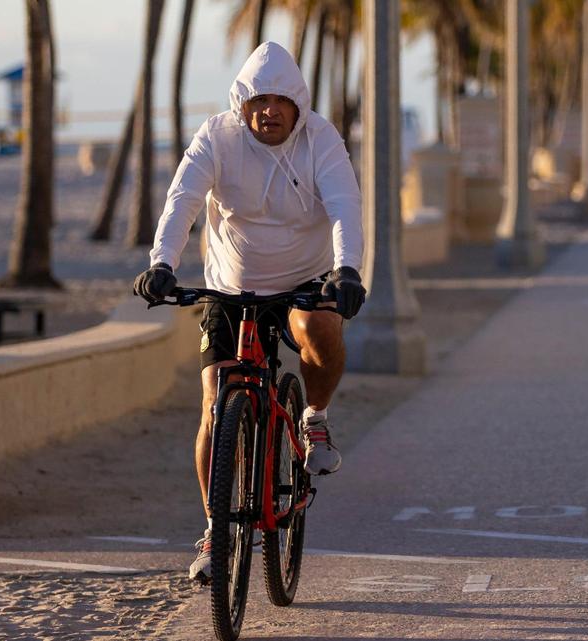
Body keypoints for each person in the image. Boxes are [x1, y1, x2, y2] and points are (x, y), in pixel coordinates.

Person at [131, 42, 365, 583]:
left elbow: (345, 207)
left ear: (297, 104)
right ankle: (215, 530)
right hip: (231, 286)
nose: (269, 110)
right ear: (242, 103)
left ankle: (314, 421)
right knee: (216, 405)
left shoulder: (320, 139)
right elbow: (182, 199)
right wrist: (162, 263)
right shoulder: (217, 136)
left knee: (323, 332)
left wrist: (347, 270)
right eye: (258, 100)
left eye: (280, 100)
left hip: (305, 280)